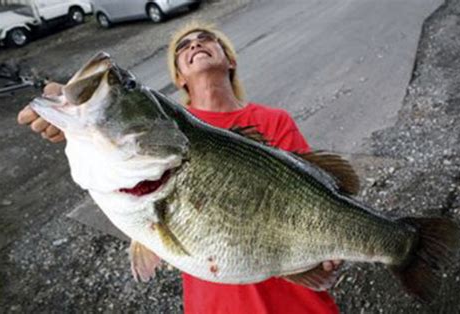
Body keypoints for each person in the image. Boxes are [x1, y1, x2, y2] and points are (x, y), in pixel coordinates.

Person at [18, 21, 341, 314]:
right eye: (184, 46)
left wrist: (326, 250)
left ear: (230, 60)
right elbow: (117, 153)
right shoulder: (161, 136)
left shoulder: (273, 121)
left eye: (207, 39)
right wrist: (77, 124)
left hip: (298, 305)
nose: (195, 45)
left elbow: (318, 194)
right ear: (178, 77)